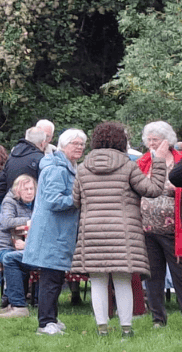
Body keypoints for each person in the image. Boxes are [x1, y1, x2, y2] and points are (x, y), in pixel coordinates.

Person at [71, 121, 165, 337]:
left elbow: (76, 201)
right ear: (121, 142)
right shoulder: (128, 166)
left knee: (98, 281)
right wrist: (158, 161)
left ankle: (102, 329)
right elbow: (153, 190)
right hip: (123, 233)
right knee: (123, 281)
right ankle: (126, 329)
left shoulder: (83, 168)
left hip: (92, 233)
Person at [22, 129, 87, 335]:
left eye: (82, 144)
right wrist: (78, 200)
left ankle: (52, 317)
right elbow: (53, 200)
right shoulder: (56, 169)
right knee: (50, 277)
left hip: (58, 231)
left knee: (56, 276)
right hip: (51, 231)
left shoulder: (67, 167)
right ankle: (45, 322)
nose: (79, 147)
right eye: (75, 143)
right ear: (63, 145)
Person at [136, 121, 182, 327]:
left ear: (168, 140)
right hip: (147, 228)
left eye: (156, 140)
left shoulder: (179, 160)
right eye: (149, 140)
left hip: (174, 229)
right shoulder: (143, 161)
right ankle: (158, 318)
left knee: (179, 274)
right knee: (153, 275)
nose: (152, 144)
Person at [0, 174, 37, 318]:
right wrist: (30, 220)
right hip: (4, 247)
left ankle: (13, 303)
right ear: (17, 191)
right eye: (26, 189)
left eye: (32, 189)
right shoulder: (9, 201)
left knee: (19, 261)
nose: (30, 192)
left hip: (26, 246)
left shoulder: (38, 203)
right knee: (14, 260)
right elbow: (6, 222)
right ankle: (16, 303)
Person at [0, 127, 47, 201]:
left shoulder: (11, 156)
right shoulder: (41, 159)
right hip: (32, 207)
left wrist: (6, 203)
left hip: (12, 205)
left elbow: (1, 185)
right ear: (43, 143)